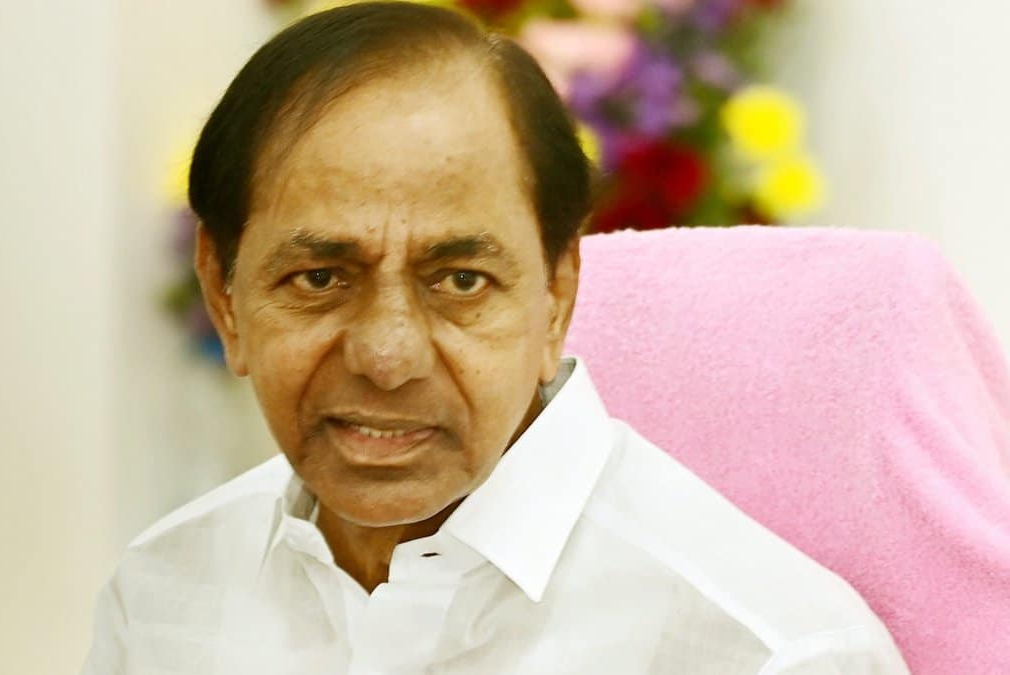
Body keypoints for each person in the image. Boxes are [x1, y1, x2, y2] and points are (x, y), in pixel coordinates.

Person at [82, 3, 908, 672]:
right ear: (224, 296)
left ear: (557, 293)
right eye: (320, 278)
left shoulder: (771, 651)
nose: (388, 356)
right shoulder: (161, 597)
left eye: (461, 280)